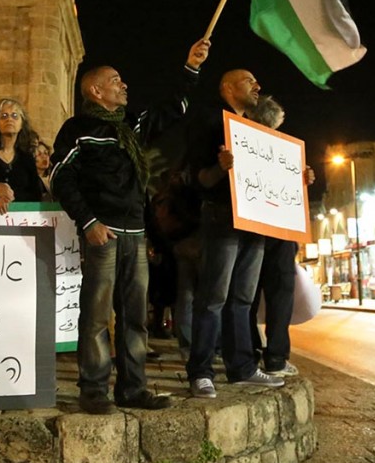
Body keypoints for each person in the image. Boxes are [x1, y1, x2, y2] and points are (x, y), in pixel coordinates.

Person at [50, 38, 210, 414]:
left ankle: (133, 388)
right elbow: (60, 176)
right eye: (116, 80)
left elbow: (175, 108)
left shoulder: (132, 129)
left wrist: (191, 67)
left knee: (135, 315)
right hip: (101, 234)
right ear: (95, 90)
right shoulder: (78, 129)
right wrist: (88, 221)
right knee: (95, 316)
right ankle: (93, 390)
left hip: (135, 235)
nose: (124, 86)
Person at [185, 70, 285, 399]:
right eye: (249, 81)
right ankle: (201, 372)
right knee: (214, 297)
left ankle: (241, 368)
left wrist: (297, 177)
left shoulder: (254, 128)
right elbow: (199, 179)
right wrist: (221, 168)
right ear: (227, 87)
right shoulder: (210, 121)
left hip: (254, 222)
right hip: (222, 217)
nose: (258, 86)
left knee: (243, 299)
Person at [247, 95, 307, 378]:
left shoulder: (281, 150)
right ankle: (275, 357)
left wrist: (302, 177)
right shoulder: (251, 143)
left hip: (262, 232)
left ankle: (256, 353)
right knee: (275, 294)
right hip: (270, 233)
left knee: (250, 295)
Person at [0, 98, 44, 214]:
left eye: (15, 116)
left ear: (22, 124)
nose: (9, 119)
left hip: (19, 221)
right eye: (4, 116)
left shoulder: (27, 158)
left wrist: (8, 198)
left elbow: (35, 194)